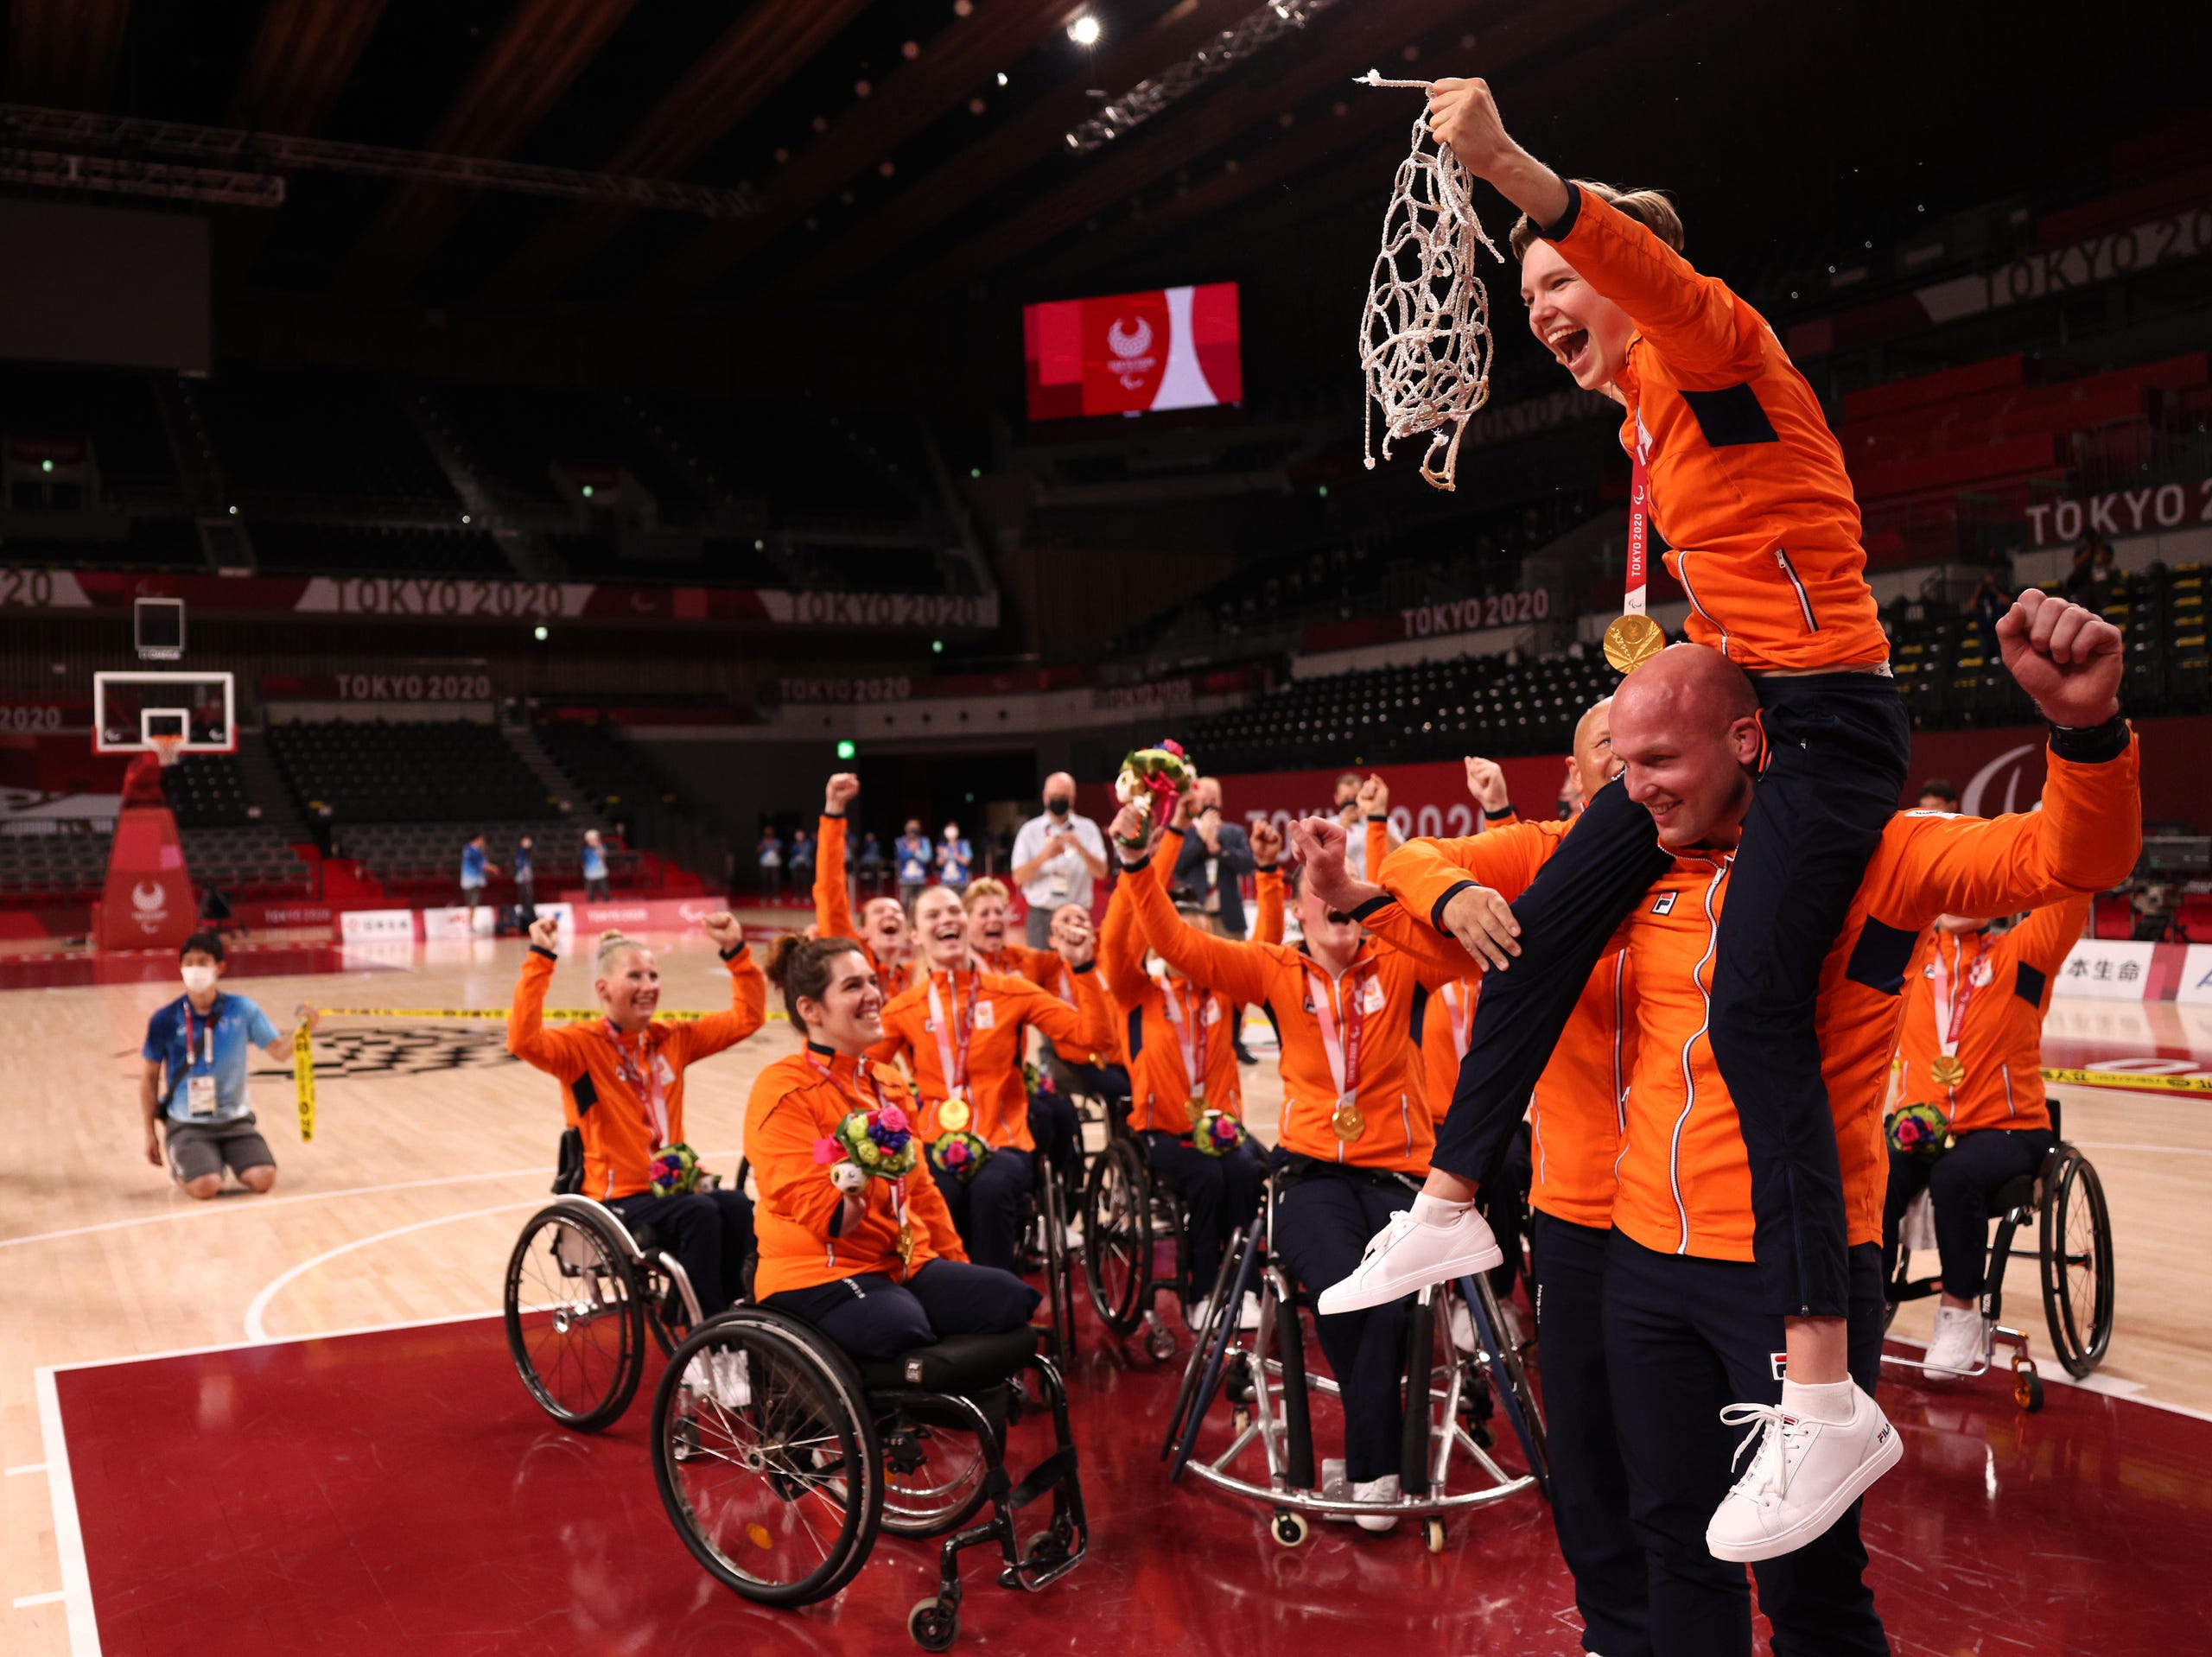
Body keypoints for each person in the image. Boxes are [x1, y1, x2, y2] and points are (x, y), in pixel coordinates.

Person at [1328, 593, 2133, 1649]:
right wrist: (1432, 892)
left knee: (1810, 1579)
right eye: (1615, 770)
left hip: (1789, 1270)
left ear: (1746, 742)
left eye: (1652, 762)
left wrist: (2086, 733)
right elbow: (1419, 881)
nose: (1629, 792)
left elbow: (2064, 862)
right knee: (1673, 1543)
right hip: (1642, 1262)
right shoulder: (1620, 865)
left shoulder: (1878, 856)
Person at [1342, 78, 1915, 1542]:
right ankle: (1456, 1195)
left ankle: (1829, 1396)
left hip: (1826, 726)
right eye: (1525, 286)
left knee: (1753, 1019)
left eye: (1560, 276)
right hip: (1748, 719)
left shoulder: (1718, 357)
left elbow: (1662, 283)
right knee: (1542, 924)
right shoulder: (1645, 424)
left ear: (1633, 277)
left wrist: (1513, 168)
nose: (1540, 301)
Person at [1305, 710, 1649, 1656]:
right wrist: (1438, 893)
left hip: (1697, 1215)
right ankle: (1615, 1634)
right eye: (1607, 742)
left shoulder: (1715, 864)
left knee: (1674, 1454)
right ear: (1577, 778)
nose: (1629, 750)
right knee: (1582, 1457)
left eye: (1649, 733)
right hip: (1580, 1208)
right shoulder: (1542, 854)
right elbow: (1430, 885)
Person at [1111, 796, 1465, 1532]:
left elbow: (1464, 949)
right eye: (1320, 896)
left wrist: (1370, 889)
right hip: (1310, 1175)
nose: (1335, 910)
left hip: (1404, 1177)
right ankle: (1376, 1473)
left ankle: (1369, 1471)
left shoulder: (1402, 962)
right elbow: (1174, 944)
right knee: (1348, 1290)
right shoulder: (1272, 970)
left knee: (1392, 1295)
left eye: (1345, 896)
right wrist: (1140, 863)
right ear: (1298, 908)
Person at [748, 936, 1039, 1358]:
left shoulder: (888, 1083)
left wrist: (956, 1264)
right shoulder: (784, 1088)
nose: (873, 995)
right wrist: (856, 1164)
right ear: (810, 1010)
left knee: (1008, 1297)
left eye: (871, 981)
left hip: (898, 1264)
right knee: (900, 1324)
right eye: (852, 987)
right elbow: (829, 1217)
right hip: (817, 1273)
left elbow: (922, 1192)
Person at [507, 911, 766, 1318]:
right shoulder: (580, 1047)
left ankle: (729, 1321)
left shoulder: (672, 1039)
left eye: (653, 976)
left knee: (736, 1206)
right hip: (619, 1197)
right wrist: (541, 956)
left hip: (673, 1188)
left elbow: (747, 1017)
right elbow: (522, 1039)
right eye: (636, 977)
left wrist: (736, 951)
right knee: (700, 1213)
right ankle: (709, 1339)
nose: (648, 987)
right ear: (604, 989)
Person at [1884, 891, 2093, 1376]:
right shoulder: (1910, 958)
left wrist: (2062, 832)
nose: (1959, 898)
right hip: (1921, 1125)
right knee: (1871, 1166)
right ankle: (1862, 1297)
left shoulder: (2025, 952)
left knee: (1956, 1175)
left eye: (1975, 887)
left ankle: (1958, 1313)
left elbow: (2072, 895)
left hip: (2009, 1128)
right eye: (1949, 887)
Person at [869, 886, 1110, 1272]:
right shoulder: (903, 1009)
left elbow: (1095, 1037)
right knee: (933, 1190)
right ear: (915, 934)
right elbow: (858, 1072)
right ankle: (948, 1295)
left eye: (953, 911)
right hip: (933, 1138)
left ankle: (997, 1299)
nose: (946, 919)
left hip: (1005, 1138)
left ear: (964, 923)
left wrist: (1084, 967)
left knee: (992, 1189)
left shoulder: (1011, 991)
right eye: (933, 915)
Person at [1101, 810, 1276, 1322]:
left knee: (1246, 1171)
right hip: (1163, 1133)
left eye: (1200, 939)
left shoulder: (1227, 993)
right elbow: (1115, 942)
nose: (1191, 948)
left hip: (1223, 1129)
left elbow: (1264, 949)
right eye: (1179, 937)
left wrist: (1266, 876)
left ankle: (1244, 1286)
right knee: (1207, 1179)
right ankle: (1202, 1294)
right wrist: (1150, 855)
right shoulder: (1140, 993)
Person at [140, 932, 319, 1200]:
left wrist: (305, 1030)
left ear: (220, 967)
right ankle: (188, 1168)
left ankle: (215, 1157)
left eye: (203, 962)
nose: (195, 969)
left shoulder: (243, 1009)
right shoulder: (164, 1019)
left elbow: (280, 1053)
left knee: (263, 1180)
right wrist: (150, 1134)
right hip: (187, 1123)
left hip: (234, 1121)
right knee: (206, 1186)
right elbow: (149, 1079)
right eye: (188, 963)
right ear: (180, 968)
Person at [961, 876, 1087, 1197]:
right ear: (966, 922)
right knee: (1042, 1118)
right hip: (969, 1088)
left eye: (999, 912)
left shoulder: (1021, 961)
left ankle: (1059, 1198)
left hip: (1016, 1077)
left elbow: (1062, 961)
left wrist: (1069, 938)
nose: (994, 920)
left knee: (1064, 1112)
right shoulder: (958, 970)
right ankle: (1025, 1193)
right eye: (984, 913)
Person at [816, 773, 918, 993]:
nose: (890, 915)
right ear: (863, 932)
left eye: (897, 911)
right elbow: (830, 891)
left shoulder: (918, 979)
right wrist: (833, 810)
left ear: (909, 933)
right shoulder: (849, 961)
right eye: (879, 911)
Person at [1010, 772, 1108, 948]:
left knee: (1080, 969)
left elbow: (1101, 873)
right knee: (1040, 971)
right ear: (1045, 797)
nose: (1058, 801)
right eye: (1054, 797)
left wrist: (1081, 849)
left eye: (1063, 797)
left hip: (1077, 915)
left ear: (1073, 798)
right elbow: (1018, 877)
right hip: (1042, 916)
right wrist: (1043, 857)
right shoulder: (1029, 831)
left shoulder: (1088, 829)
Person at [458, 832, 498, 914]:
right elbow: (483, 864)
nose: (482, 841)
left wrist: (483, 848)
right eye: (481, 839)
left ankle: (472, 922)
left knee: (475, 902)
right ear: (477, 839)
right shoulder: (470, 850)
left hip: (477, 879)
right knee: (471, 902)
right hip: (470, 879)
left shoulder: (476, 850)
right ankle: (470, 923)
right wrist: (494, 868)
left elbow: (483, 859)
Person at [896, 819, 932, 905]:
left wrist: (916, 851)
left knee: (920, 903)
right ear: (906, 828)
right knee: (905, 903)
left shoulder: (924, 841)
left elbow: (927, 858)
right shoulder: (900, 842)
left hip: (920, 879)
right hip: (905, 879)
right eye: (910, 826)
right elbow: (900, 857)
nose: (912, 828)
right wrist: (909, 851)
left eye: (915, 826)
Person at [936, 821, 973, 892]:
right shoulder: (942, 846)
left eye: (953, 829)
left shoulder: (963, 844)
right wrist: (944, 855)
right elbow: (939, 863)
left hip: (961, 882)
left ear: (957, 831)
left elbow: (966, 861)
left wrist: (956, 854)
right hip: (945, 881)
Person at [581, 828, 612, 902]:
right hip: (590, 874)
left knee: (604, 890)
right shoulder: (586, 850)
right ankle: (590, 904)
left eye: (595, 840)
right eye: (590, 840)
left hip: (601, 873)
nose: (593, 842)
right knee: (590, 892)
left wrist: (598, 847)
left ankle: (608, 903)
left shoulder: (602, 847)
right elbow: (583, 861)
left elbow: (603, 855)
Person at [757, 825, 785, 902]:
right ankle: (764, 897)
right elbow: (759, 851)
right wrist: (763, 844)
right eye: (767, 831)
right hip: (765, 863)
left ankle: (776, 897)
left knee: (775, 881)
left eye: (770, 831)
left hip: (774, 863)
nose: (769, 833)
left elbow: (779, 851)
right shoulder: (763, 841)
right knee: (764, 881)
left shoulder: (777, 841)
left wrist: (773, 843)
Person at [856, 829, 887, 895]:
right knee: (870, 872)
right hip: (866, 863)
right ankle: (869, 888)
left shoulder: (877, 844)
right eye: (868, 837)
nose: (870, 838)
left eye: (871, 837)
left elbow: (879, 853)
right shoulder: (864, 844)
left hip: (876, 863)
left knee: (876, 871)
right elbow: (863, 850)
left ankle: (877, 888)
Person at [513, 834, 536, 918]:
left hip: (526, 877)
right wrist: (525, 874)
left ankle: (528, 912)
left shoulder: (526, 852)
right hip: (523, 877)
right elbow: (520, 864)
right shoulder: (521, 851)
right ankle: (526, 913)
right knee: (526, 895)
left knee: (527, 895)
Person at [789, 825, 815, 891]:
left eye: (801, 835)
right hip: (795, 863)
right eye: (798, 835)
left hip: (806, 862)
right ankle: (796, 895)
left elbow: (808, 852)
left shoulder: (808, 843)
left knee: (806, 879)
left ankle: (806, 894)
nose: (799, 836)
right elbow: (792, 853)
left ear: (804, 835)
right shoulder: (793, 844)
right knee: (795, 879)